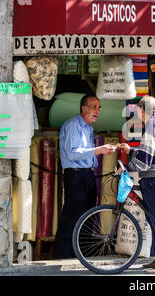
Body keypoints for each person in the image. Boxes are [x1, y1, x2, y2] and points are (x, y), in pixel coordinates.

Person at [117, 95, 155, 274]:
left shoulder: (150, 126)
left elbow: (145, 162)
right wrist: (132, 150)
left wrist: (125, 169)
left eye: (138, 110)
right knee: (154, 218)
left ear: (143, 110)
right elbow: (149, 152)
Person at [54, 94, 117, 259]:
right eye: (94, 107)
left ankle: (81, 255)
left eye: (99, 107)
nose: (97, 111)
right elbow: (73, 153)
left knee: (88, 216)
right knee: (72, 216)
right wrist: (99, 150)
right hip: (75, 176)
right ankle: (63, 256)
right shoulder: (73, 125)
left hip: (87, 175)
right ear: (84, 108)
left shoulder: (88, 128)